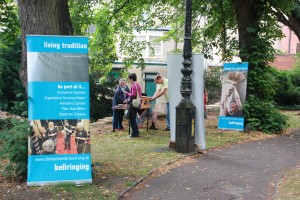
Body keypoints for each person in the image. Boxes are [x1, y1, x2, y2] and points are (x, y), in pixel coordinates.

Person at [123, 73, 142, 137]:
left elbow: (133, 95)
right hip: (137, 103)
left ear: (131, 79)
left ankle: (135, 133)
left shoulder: (134, 85)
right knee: (133, 118)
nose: (129, 81)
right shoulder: (138, 84)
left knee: (132, 118)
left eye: (129, 79)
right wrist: (127, 99)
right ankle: (135, 133)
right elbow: (138, 94)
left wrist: (127, 93)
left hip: (133, 104)